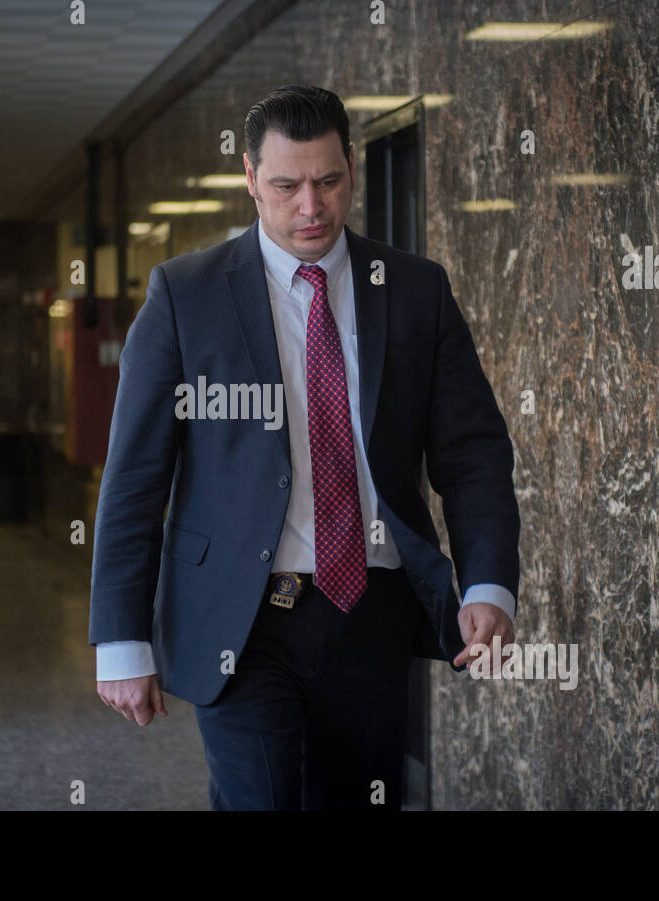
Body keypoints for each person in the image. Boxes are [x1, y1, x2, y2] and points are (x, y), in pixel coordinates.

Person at [89, 85, 521, 810]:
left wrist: (486, 582)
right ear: (252, 181)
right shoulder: (185, 295)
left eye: (326, 181)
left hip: (370, 613)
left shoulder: (414, 291)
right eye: (287, 185)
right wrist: (120, 638)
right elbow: (135, 476)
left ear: (351, 168)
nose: (310, 207)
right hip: (243, 618)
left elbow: (473, 450)